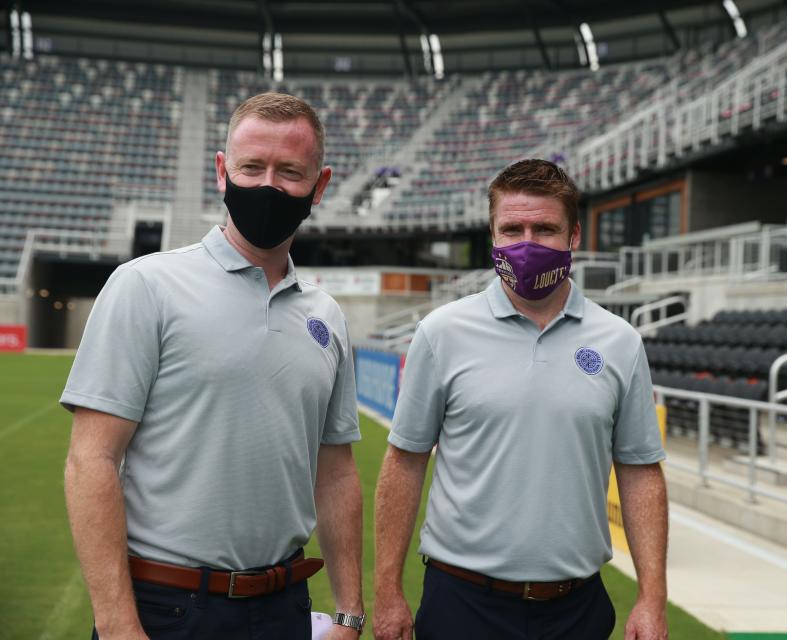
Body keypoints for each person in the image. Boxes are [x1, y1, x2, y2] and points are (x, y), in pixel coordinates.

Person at [62, 92, 366, 639]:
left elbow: (337, 471)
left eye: (290, 171)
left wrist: (348, 612)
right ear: (223, 172)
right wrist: (116, 626)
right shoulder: (146, 286)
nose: (268, 185)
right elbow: (92, 461)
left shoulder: (328, 316)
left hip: (284, 609)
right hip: (168, 609)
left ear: (319, 186)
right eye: (253, 167)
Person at [373, 159, 668, 640]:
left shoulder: (620, 341)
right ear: (492, 235)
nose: (527, 242)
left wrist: (652, 598)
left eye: (545, 229)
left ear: (573, 236)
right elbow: (405, 460)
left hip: (576, 609)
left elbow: (639, 471)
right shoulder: (441, 333)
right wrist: (387, 590)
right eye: (512, 228)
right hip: (462, 604)